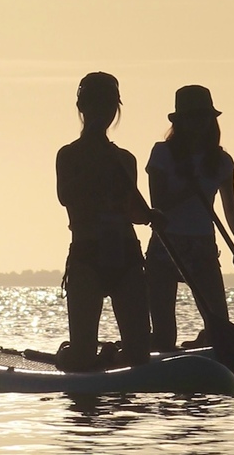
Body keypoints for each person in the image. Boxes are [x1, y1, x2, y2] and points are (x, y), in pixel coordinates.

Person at [55, 72, 152, 371]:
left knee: (140, 356)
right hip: (87, 256)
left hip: (125, 255)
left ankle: (111, 355)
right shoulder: (68, 155)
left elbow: (132, 211)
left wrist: (150, 216)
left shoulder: (126, 159)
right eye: (97, 106)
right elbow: (66, 198)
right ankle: (74, 353)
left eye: (109, 106)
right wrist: (96, 160)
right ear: (83, 108)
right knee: (82, 357)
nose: (104, 112)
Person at [145, 85, 234, 351]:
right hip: (166, 247)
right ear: (180, 122)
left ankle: (206, 346)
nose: (199, 124)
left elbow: (231, 209)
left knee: (218, 323)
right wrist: (188, 191)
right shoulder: (162, 154)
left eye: (204, 117)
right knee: (164, 334)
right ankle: (151, 355)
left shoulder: (221, 161)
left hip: (202, 246)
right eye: (192, 118)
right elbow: (157, 205)